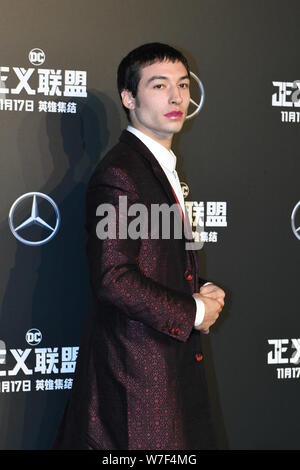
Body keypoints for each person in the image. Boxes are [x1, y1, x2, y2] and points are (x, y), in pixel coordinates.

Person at [52, 42, 225, 450]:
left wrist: (199, 289)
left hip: (166, 374)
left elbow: (155, 262)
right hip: (137, 382)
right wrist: (194, 309)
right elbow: (113, 278)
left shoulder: (157, 168)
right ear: (129, 98)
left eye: (182, 85)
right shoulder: (120, 174)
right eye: (159, 85)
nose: (176, 97)